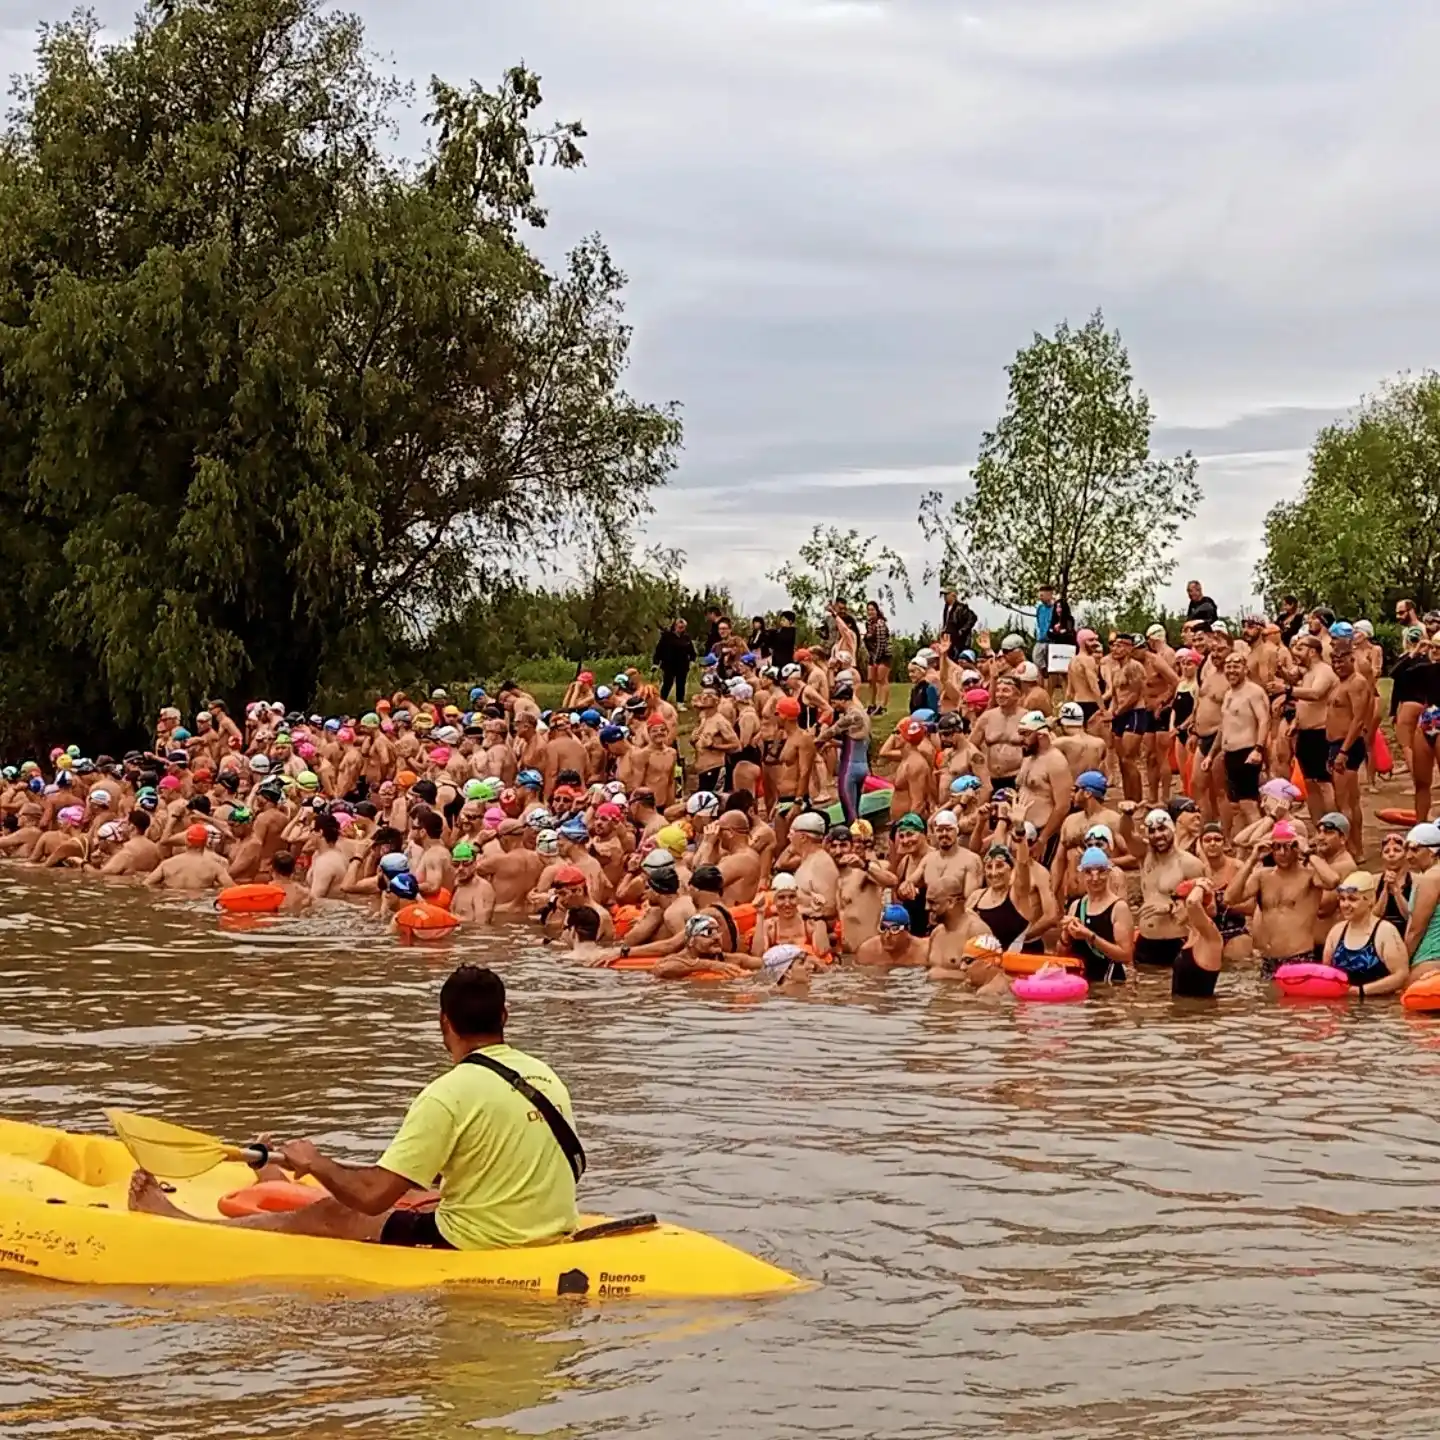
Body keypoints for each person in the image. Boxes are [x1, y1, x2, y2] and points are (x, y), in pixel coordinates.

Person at [129, 966, 580, 1251]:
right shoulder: (544, 1075)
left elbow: (371, 1197)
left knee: (332, 1214)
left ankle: (185, 1225)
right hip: (550, 1226)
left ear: (444, 1022)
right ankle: (275, 1178)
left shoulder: (448, 1093)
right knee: (413, 1195)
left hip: (481, 1241)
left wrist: (316, 1162)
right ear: (504, 1017)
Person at [1321, 871, 1408, 996]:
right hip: (1343, 1005)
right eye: (1342, 899)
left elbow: (1401, 975)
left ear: (1370, 900)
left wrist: (1362, 991)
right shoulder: (1336, 932)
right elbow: (1326, 974)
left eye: (1352, 899)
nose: (1345, 905)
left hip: (1379, 1005)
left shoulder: (1385, 932)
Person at [1060, 847, 1133, 983]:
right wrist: (1065, 936)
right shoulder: (1075, 906)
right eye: (1089, 872)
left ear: (1109, 873)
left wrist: (1089, 936)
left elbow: (1126, 956)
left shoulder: (1119, 908)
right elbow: (1061, 956)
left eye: (1101, 871)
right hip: (1080, 984)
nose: (1095, 878)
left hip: (1108, 985)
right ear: (1081, 875)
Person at [653, 619, 697, 707]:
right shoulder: (667, 636)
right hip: (669, 664)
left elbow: (691, 651)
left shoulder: (686, 637)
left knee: (681, 683)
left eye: (683, 627)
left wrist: (692, 660)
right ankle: (662, 701)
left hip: (682, 665)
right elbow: (659, 650)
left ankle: (680, 703)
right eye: (680, 627)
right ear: (675, 626)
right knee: (667, 683)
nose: (681, 629)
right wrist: (656, 663)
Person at [863, 601, 892, 716]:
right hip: (873, 654)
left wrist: (877, 659)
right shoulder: (868, 623)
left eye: (872, 610)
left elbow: (881, 643)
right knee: (871, 679)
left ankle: (882, 706)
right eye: (868, 610)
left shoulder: (880, 624)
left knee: (882, 679)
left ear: (877, 611)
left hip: (884, 654)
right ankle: (872, 704)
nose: (870, 612)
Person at [941, 590, 976, 655]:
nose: (945, 597)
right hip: (949, 641)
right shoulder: (946, 608)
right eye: (944, 595)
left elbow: (972, 618)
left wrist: (961, 631)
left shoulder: (961, 607)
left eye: (947, 594)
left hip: (960, 642)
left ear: (953, 595)